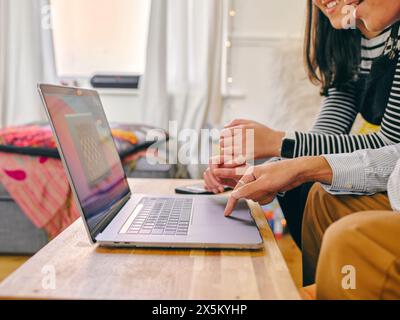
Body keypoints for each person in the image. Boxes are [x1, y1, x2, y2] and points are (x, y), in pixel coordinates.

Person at [221, 0, 400, 291]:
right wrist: (261, 174)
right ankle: (328, 287)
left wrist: (280, 145)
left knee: (310, 186)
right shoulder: (349, 36)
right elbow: (326, 134)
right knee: (307, 191)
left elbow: (390, 144)